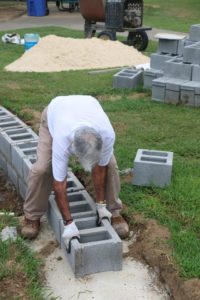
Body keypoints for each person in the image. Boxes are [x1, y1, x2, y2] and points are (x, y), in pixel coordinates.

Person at [21, 95, 129, 245]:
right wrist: (69, 223)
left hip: (85, 107)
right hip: (54, 113)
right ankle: (31, 216)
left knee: (110, 166)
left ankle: (113, 210)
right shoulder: (62, 139)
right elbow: (59, 186)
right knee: (42, 169)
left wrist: (101, 205)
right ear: (73, 149)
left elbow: (101, 168)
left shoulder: (107, 135)